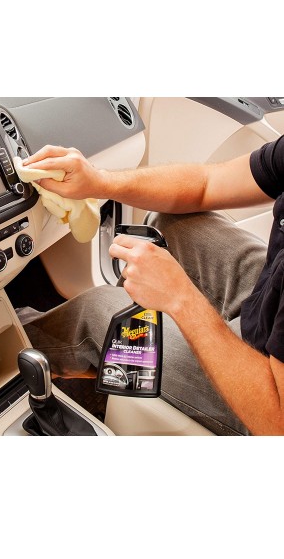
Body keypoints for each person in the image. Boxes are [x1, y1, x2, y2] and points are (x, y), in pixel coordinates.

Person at [19, 138, 284, 436]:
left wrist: (181, 299)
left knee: (95, 313)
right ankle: (119, 364)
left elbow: (277, 424)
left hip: (268, 403)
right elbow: (207, 183)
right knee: (169, 222)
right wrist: (99, 181)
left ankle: (14, 351)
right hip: (268, 308)